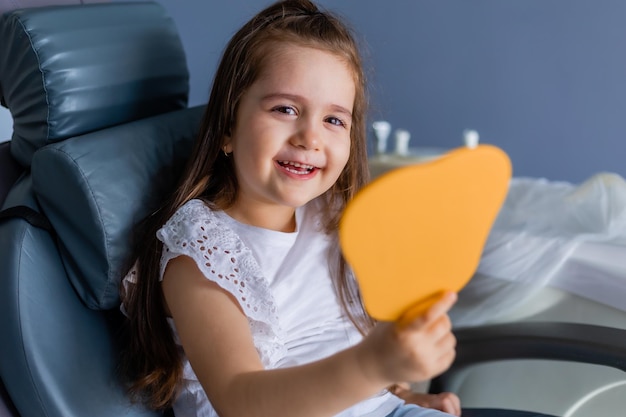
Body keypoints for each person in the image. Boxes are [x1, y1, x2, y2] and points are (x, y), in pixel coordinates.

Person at [118, 1, 460, 416]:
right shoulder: (201, 252)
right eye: (286, 109)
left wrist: (406, 396)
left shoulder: (332, 217)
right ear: (228, 128)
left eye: (334, 120)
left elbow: (340, 344)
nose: (309, 138)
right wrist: (376, 363)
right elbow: (239, 400)